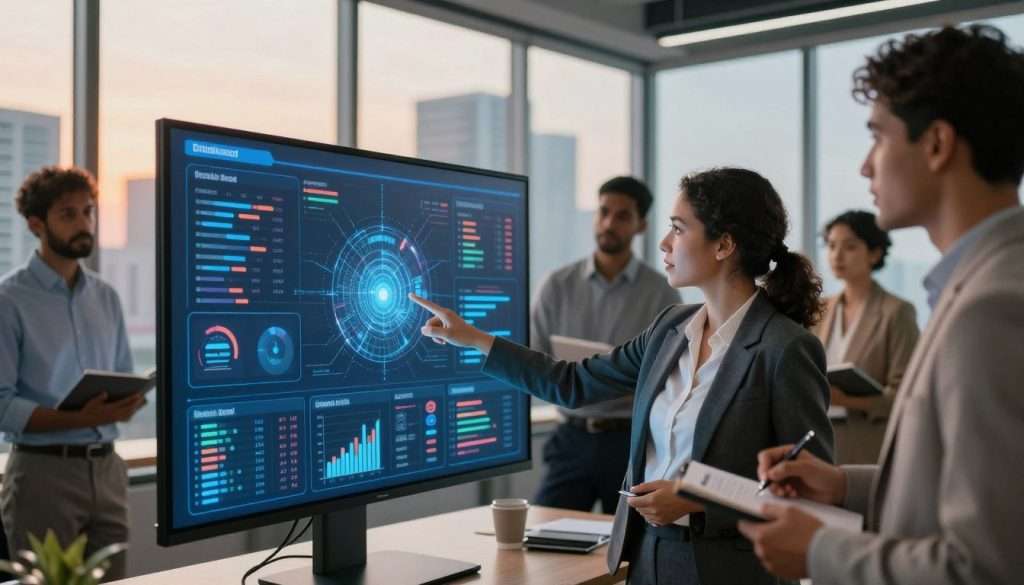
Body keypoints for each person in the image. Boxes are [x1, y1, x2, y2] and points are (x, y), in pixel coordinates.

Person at [412, 167, 834, 585]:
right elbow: (572, 383)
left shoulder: (785, 348)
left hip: (729, 569)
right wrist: (474, 339)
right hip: (647, 556)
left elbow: (807, 497)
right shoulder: (670, 328)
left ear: (723, 244)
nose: (665, 243)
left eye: (678, 228)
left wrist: (698, 501)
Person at [738, 24, 1024, 585]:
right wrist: (844, 485)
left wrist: (821, 552)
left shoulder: (993, 309)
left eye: (879, 137)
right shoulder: (977, 284)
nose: (867, 166)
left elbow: (989, 566)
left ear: (938, 145)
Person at [0, 166, 145, 581]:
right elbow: (1, 405)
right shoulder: (8, 301)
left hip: (108, 471)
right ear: (36, 223)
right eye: (68, 214)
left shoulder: (107, 297)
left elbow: (122, 377)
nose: (84, 223)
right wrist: (79, 419)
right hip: (43, 475)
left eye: (88, 211)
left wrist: (126, 402)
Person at [531, 176, 680, 514]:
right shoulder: (557, 285)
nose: (610, 223)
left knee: (628, 549)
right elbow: (535, 358)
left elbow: (670, 377)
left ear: (640, 224)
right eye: (604, 212)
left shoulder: (662, 293)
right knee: (544, 539)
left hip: (629, 442)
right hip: (570, 438)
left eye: (622, 216)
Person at [814, 210, 918, 463]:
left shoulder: (897, 312)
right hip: (818, 441)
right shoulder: (819, 310)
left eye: (850, 247)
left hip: (866, 445)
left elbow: (907, 395)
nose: (837, 256)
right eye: (831, 246)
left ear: (875, 253)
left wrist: (847, 400)